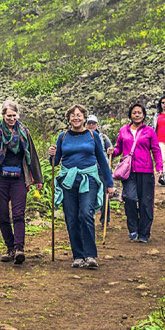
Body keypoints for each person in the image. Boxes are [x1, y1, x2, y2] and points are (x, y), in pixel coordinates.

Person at [47, 104, 114, 269]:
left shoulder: (93, 136)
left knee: (85, 213)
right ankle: (78, 256)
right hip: (68, 180)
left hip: (89, 179)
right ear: (68, 118)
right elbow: (55, 162)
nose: (76, 118)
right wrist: (52, 155)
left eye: (79, 115)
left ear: (85, 118)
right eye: (73, 115)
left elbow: (102, 160)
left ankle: (90, 255)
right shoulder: (62, 136)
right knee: (71, 217)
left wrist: (109, 183)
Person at [0, 100, 43, 264]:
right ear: (3, 115)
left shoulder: (24, 132)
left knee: (18, 214)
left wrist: (38, 179)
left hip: (19, 178)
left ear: (17, 115)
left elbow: (32, 156)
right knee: (2, 215)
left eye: (14, 116)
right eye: (9, 116)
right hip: (0, 177)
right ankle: (10, 248)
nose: (11, 119)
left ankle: (19, 248)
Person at [113, 103, 163, 243]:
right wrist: (113, 152)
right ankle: (133, 229)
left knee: (146, 203)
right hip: (128, 172)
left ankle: (144, 233)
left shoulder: (149, 131)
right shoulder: (123, 130)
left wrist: (159, 167)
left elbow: (156, 150)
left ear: (143, 115)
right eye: (134, 112)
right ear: (130, 115)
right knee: (129, 198)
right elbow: (118, 149)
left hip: (146, 171)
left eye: (139, 113)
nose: (137, 115)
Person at [86, 114, 114, 226]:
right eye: (89, 123)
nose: (91, 125)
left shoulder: (103, 137)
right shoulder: (84, 136)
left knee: (104, 194)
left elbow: (111, 149)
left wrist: (111, 150)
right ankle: (89, 217)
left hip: (102, 169)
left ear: (97, 125)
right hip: (89, 170)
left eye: (93, 123)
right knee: (89, 195)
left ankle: (105, 219)